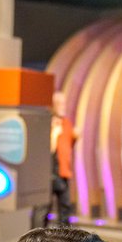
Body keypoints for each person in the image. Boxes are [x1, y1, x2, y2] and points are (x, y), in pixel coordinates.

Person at [41, 91, 79, 227]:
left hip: (63, 172)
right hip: (49, 173)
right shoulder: (47, 122)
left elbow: (68, 147)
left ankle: (64, 241)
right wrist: (54, 135)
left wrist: (75, 137)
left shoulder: (66, 123)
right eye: (59, 103)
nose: (63, 106)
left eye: (63, 103)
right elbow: (47, 150)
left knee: (65, 207)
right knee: (44, 208)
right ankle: (39, 241)